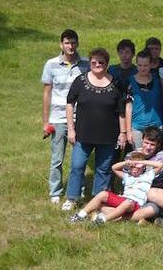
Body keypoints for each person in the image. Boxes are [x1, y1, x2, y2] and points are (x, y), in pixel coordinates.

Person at [63, 47, 127, 212]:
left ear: (107, 64)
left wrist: (123, 133)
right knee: (77, 166)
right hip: (83, 134)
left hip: (108, 136)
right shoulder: (80, 81)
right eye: (94, 62)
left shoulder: (117, 84)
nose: (97, 65)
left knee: (103, 169)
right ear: (90, 63)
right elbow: (70, 103)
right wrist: (71, 129)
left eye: (101, 62)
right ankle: (72, 198)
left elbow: (121, 111)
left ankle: (98, 199)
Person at [42, 29, 89, 204]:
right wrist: (46, 121)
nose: (71, 46)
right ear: (61, 44)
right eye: (67, 42)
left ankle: (79, 190)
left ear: (77, 44)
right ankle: (55, 191)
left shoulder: (85, 64)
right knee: (57, 158)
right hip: (58, 117)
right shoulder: (51, 64)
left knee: (79, 158)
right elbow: (47, 93)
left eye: (73, 42)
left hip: (81, 117)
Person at [68, 151, 155, 224]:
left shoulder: (147, 175)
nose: (134, 169)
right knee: (103, 194)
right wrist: (126, 162)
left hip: (135, 204)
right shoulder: (127, 176)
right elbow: (114, 168)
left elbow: (160, 165)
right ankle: (80, 215)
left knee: (127, 203)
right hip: (123, 200)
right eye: (132, 166)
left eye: (137, 166)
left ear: (143, 167)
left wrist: (142, 162)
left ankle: (102, 220)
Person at [130, 127, 163, 223]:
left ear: (158, 145)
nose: (148, 147)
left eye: (152, 145)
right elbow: (129, 178)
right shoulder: (131, 155)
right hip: (135, 193)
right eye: (146, 143)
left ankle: (119, 216)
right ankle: (140, 217)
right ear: (142, 140)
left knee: (152, 209)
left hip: (153, 193)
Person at [126, 49, 163, 149]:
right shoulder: (130, 82)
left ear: (151, 64)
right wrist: (128, 131)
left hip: (156, 125)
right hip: (138, 127)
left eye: (145, 65)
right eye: (140, 65)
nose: (142, 68)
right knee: (139, 158)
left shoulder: (157, 79)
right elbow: (128, 107)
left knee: (155, 158)